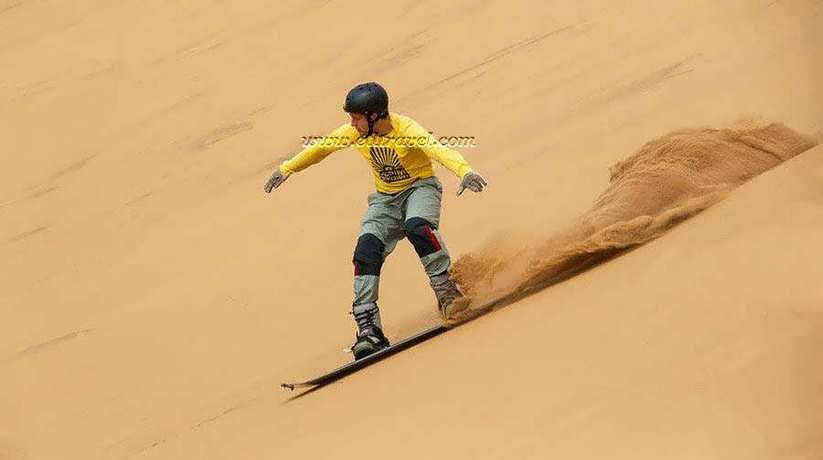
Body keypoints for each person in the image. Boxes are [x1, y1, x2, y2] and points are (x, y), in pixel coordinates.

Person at [264, 82, 487, 359]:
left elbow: (438, 150)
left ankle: (447, 294)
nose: (352, 123)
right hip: (385, 201)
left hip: (420, 188)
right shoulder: (354, 133)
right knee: (365, 250)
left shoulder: (405, 129)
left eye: (356, 117)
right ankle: (369, 329)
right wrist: (287, 169)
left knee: (418, 228)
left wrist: (464, 171)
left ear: (374, 116)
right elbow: (321, 149)